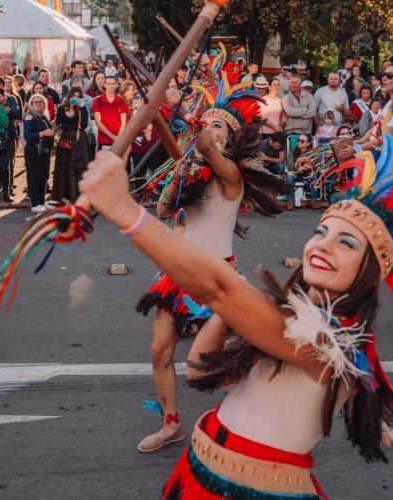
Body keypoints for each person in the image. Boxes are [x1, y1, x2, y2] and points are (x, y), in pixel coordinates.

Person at [77, 134, 393, 497]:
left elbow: (217, 287)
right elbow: (199, 370)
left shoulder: (336, 340)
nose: (323, 245)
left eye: (345, 243)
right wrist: (224, 313)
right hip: (201, 473)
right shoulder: (292, 316)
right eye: (322, 231)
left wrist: (124, 210)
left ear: (371, 270)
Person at [133, 74, 290, 454]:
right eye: (209, 121)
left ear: (230, 138)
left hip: (218, 276)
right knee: (159, 351)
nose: (210, 128)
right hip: (178, 270)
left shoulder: (230, 174)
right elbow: (164, 209)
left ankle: (260, 421)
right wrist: (179, 174)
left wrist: (188, 118)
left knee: (225, 363)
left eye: (218, 124)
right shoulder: (192, 168)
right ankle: (171, 424)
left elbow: (204, 142)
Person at [355, 62, 393, 152]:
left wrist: (358, 148)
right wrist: (359, 142)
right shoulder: (386, 102)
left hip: (384, 154)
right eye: (384, 74)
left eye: (389, 75)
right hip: (373, 148)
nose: (383, 78)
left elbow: (386, 136)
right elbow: (376, 127)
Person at [52, 88, 91, 203]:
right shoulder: (61, 109)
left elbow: (83, 125)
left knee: (79, 168)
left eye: (78, 96)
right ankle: (63, 197)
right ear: (69, 96)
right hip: (64, 141)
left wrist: (84, 108)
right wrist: (74, 126)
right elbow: (59, 124)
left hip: (79, 140)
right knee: (64, 167)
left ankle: (79, 197)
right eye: (73, 95)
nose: (75, 98)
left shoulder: (81, 109)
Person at [23, 94, 56, 213]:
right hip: (33, 150)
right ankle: (35, 203)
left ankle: (42, 201)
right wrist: (44, 133)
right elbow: (27, 135)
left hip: (44, 150)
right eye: (35, 102)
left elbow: (47, 131)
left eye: (41, 102)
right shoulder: (29, 116)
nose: (38, 104)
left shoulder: (43, 116)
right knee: (36, 177)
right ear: (31, 104)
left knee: (44, 176)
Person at [92, 75, 128, 151]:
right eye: (108, 84)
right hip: (104, 141)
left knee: (119, 163)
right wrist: (113, 137)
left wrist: (119, 137)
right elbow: (98, 122)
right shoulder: (97, 101)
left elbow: (123, 123)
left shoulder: (122, 101)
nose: (111, 86)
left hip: (119, 140)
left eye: (113, 84)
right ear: (104, 85)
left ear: (116, 85)